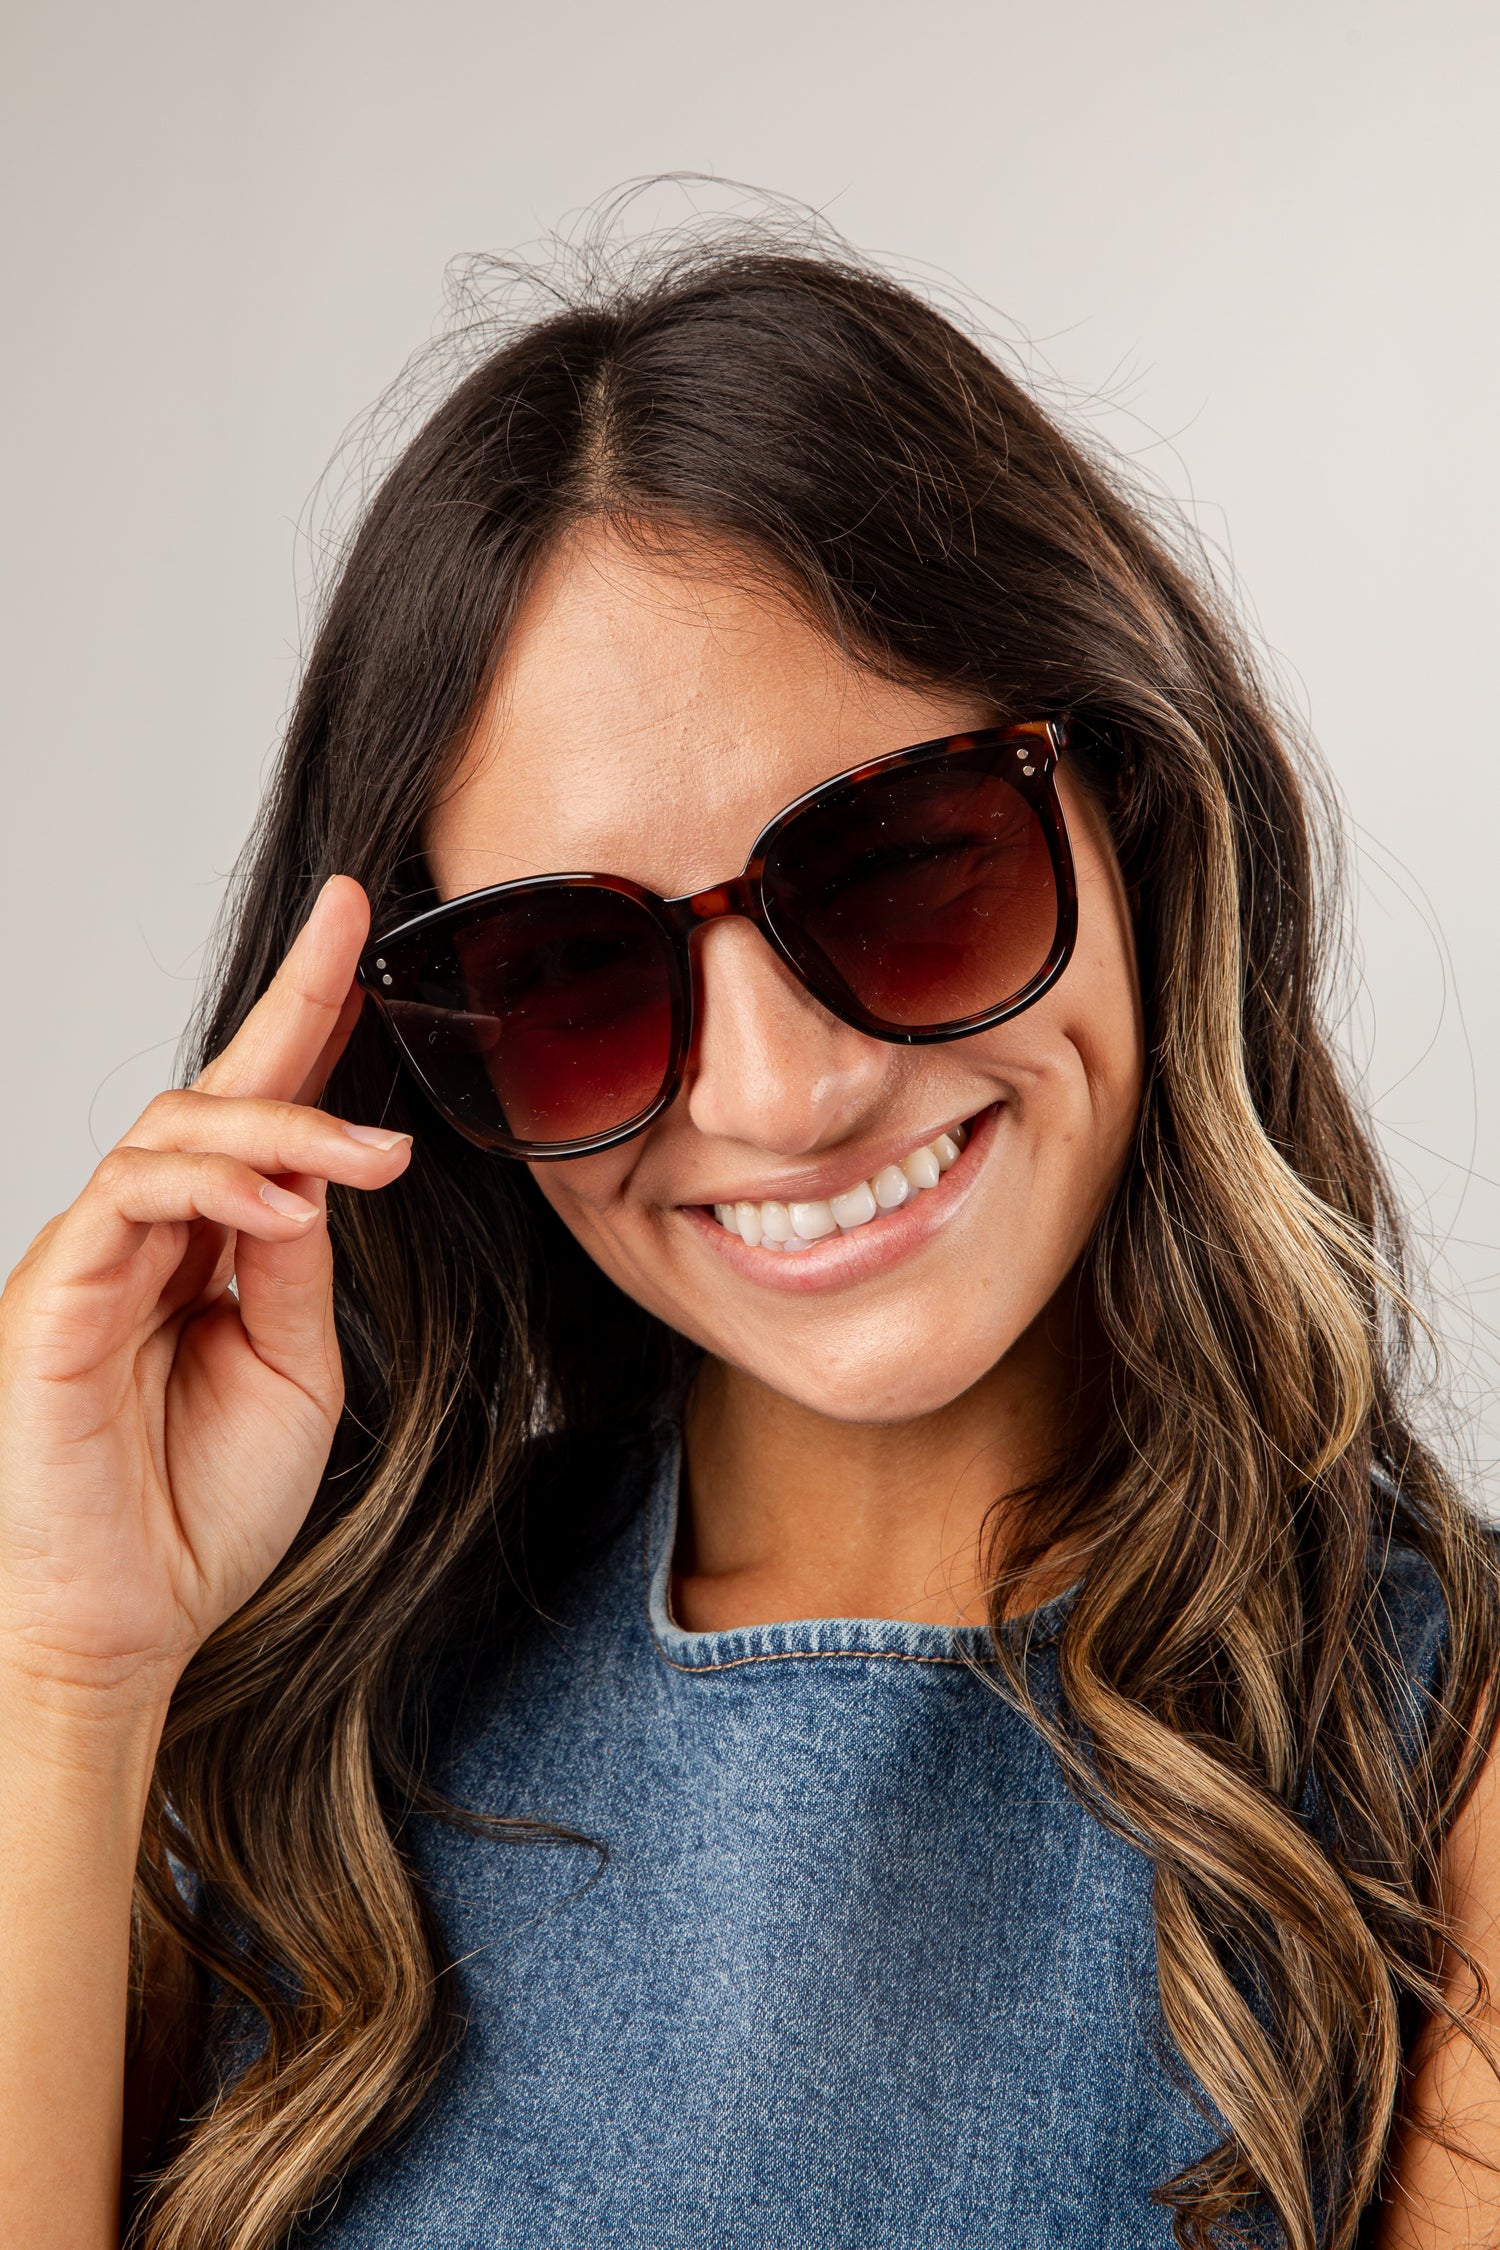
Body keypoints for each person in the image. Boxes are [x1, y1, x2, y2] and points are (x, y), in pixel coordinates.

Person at [1, 238, 1496, 2250]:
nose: (780, 1095)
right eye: (571, 970)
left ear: (1134, 815)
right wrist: (64, 1662)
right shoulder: (281, 1733)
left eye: (903, 867)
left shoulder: (1441, 1767)